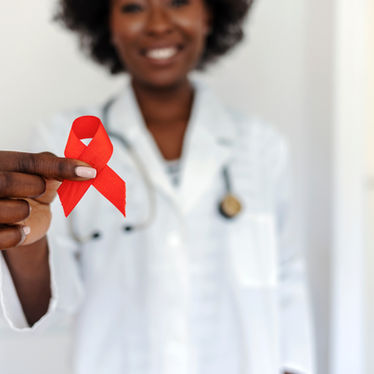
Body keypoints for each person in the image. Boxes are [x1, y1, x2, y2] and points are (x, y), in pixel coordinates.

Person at [0, 0, 315, 373]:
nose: (158, 24)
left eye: (178, 2)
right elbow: (48, 310)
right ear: (107, 22)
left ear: (209, 13)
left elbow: (288, 282)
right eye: (133, 7)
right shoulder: (70, 145)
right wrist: (25, 240)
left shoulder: (262, 147)